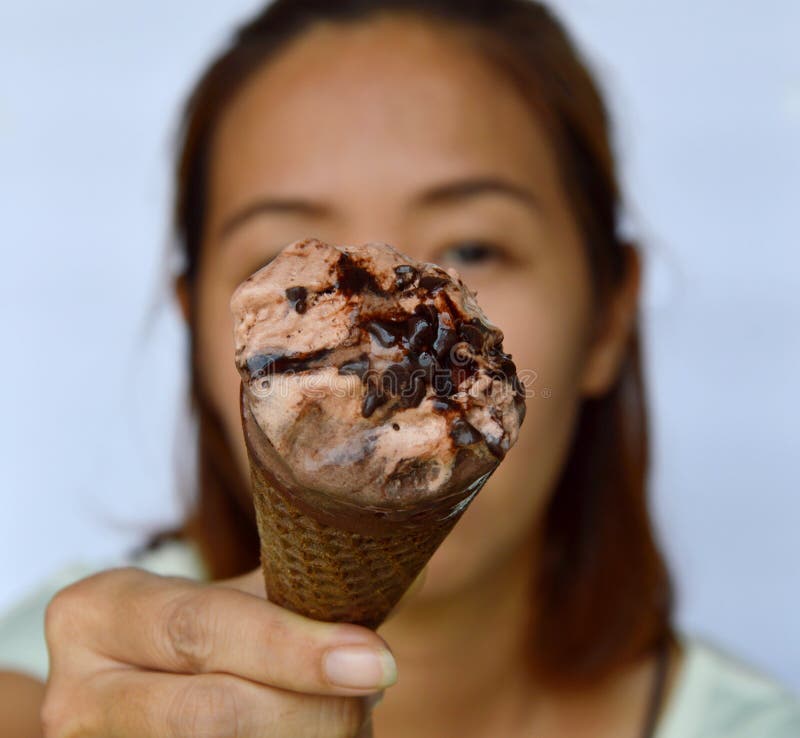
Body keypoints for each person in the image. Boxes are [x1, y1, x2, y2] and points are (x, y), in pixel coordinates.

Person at [1, 1, 798, 736]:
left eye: (473, 248)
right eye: (284, 256)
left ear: (609, 318)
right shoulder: (56, 678)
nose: (380, 331)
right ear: (195, 323)